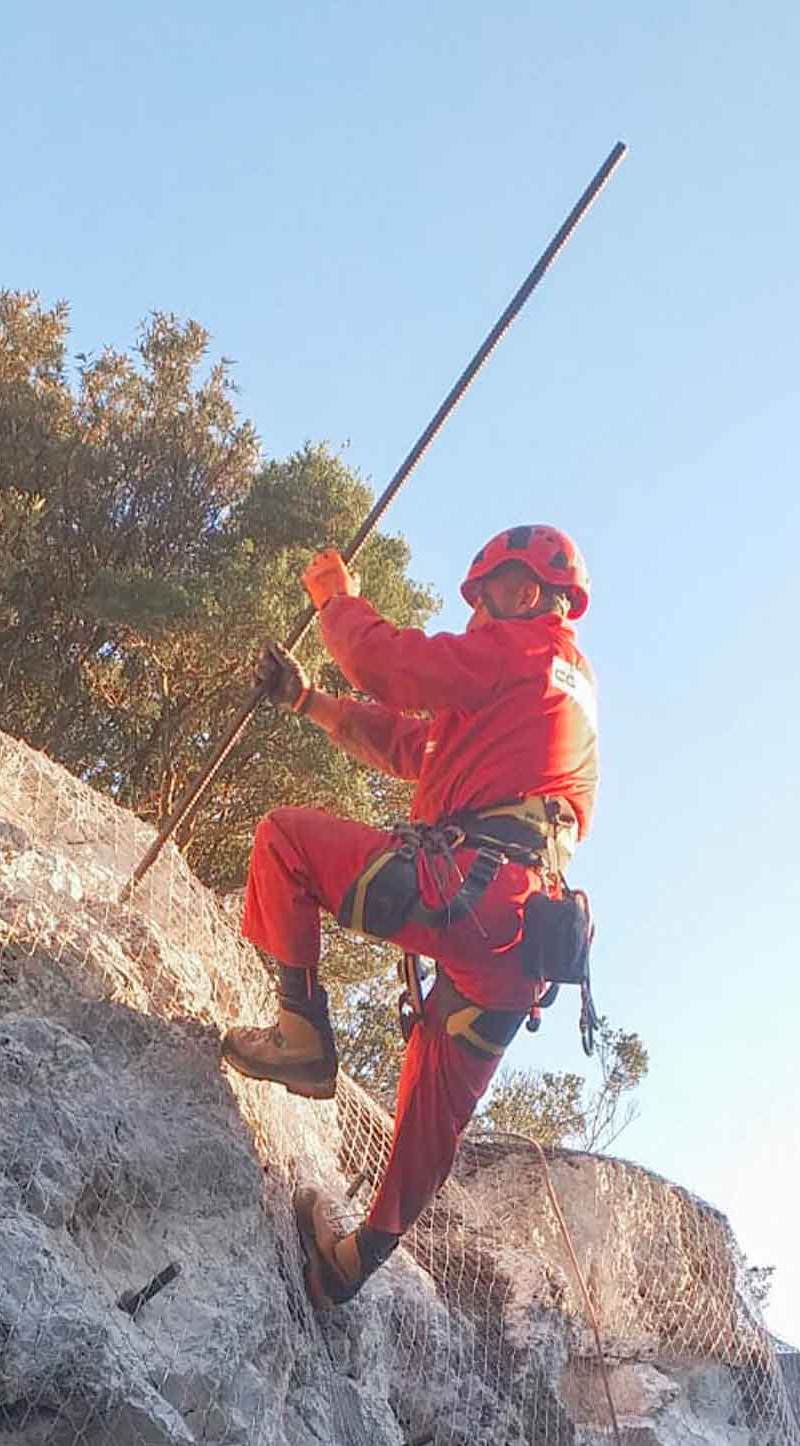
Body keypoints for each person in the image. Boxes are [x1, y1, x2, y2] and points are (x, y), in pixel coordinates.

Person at [219, 525, 600, 1307]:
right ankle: (351, 1261)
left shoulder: (525, 650)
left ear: (525, 593)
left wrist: (335, 602)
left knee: (285, 841)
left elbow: (391, 667)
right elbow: (414, 746)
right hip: (520, 942)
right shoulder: (546, 691)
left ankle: (300, 1032)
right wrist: (308, 701)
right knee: (434, 1104)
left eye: (484, 600)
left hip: (471, 887)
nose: (475, 620)